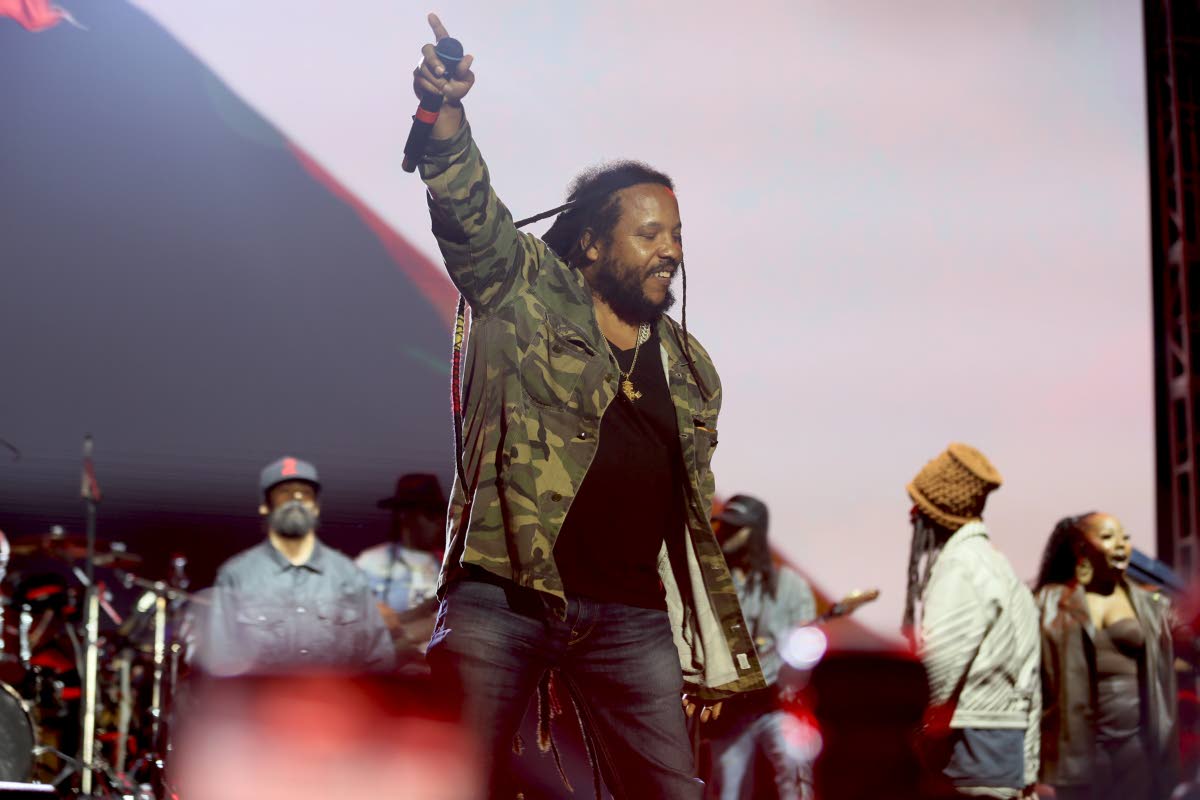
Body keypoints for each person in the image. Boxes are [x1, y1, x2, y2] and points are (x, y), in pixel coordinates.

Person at [409, 14, 764, 798]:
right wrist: (446, 115)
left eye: (675, 234)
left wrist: (700, 644)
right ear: (595, 245)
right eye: (649, 234)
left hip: (630, 615)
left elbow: (689, 518)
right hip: (507, 594)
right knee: (452, 781)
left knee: (672, 790)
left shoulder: (690, 366)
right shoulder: (524, 289)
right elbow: (468, 213)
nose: (670, 249)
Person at [903, 443, 1039, 799]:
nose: (911, 515)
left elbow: (940, 666)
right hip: (1003, 745)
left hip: (970, 743)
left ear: (935, 514)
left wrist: (914, 733)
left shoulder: (962, 567)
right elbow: (1031, 678)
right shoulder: (998, 566)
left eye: (918, 507)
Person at [200, 456, 394, 675]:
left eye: (306, 493)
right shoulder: (237, 575)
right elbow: (220, 659)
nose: (297, 499)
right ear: (265, 506)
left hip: (334, 706)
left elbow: (379, 659)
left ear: (317, 507)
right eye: (285, 492)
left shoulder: (347, 575)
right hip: (261, 706)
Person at [1034, 512, 1179, 800]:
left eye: (1125, 538)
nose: (1121, 545)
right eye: (1108, 537)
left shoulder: (1151, 605)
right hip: (1077, 751)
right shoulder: (1047, 601)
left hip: (1136, 746)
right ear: (1081, 548)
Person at [706, 494, 817, 800]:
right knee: (727, 787)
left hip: (778, 707)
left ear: (755, 532)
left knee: (796, 776)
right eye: (723, 527)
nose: (725, 535)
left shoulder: (790, 587)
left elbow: (806, 648)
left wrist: (793, 677)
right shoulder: (710, 587)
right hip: (729, 709)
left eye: (735, 528)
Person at [355, 473, 444, 666]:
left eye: (439, 514)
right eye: (429, 514)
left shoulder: (450, 565)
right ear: (405, 515)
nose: (438, 522)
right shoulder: (371, 562)